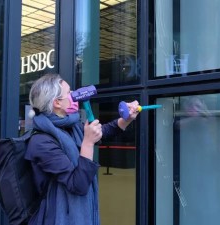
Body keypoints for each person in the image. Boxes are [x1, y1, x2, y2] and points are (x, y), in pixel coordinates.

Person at [25, 74, 139, 225]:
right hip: (57, 218)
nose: (74, 95)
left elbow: (102, 132)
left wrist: (127, 118)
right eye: (69, 92)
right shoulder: (41, 142)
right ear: (57, 102)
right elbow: (77, 184)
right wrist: (87, 143)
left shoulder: (71, 126)